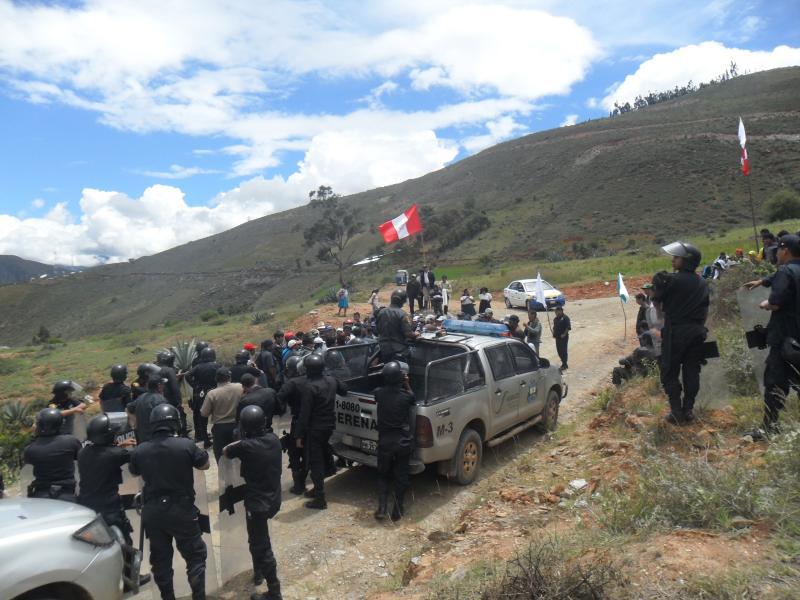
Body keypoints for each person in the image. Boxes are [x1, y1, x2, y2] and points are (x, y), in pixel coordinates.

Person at [130, 404, 210, 600]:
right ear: (174, 422)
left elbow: (134, 472)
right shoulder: (185, 444)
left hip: (153, 511)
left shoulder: (140, 450)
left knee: (161, 560)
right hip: (181, 509)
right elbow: (205, 465)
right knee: (195, 556)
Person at [223, 406, 283, 600]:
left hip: (257, 504)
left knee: (260, 545)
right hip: (274, 498)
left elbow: (226, 451)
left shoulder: (245, 446)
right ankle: (259, 573)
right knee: (257, 540)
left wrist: (241, 437)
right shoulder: (273, 439)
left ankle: (274, 592)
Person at [743, 234, 800, 437]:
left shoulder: (785, 271)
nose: (775, 254)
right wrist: (762, 281)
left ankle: (769, 427)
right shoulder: (792, 270)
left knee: (774, 381)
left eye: (778, 250)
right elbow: (781, 278)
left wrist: (766, 304)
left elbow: (776, 300)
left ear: (785, 251)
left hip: (785, 338)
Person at [653, 241, 709, 425]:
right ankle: (688, 410)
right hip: (697, 332)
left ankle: (676, 412)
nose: (673, 260)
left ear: (686, 260)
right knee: (692, 371)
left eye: (676, 257)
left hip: (676, 332)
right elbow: (705, 309)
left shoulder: (673, 280)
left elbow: (657, 299)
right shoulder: (702, 282)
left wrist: (658, 282)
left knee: (669, 371)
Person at [295, 353, 347, 510]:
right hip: (329, 426)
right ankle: (319, 487)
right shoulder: (331, 380)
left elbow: (304, 414)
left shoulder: (310, 387)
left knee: (315, 462)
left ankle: (320, 498)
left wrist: (298, 435)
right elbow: (344, 390)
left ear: (307, 370)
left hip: (315, 429)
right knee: (323, 455)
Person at [374, 362, 416, 521]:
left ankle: (382, 509)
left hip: (385, 442)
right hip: (402, 442)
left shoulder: (379, 393)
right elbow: (413, 397)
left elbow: (379, 392)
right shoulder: (406, 396)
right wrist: (406, 382)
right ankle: (397, 510)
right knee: (401, 476)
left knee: (383, 475)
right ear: (400, 377)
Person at [24, 408, 81, 501]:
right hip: (66, 494)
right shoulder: (71, 441)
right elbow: (81, 458)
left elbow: (28, 461)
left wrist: (34, 435)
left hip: (40, 495)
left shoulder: (30, 449)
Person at [276, 356, 308, 495]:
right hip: (314, 421)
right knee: (310, 451)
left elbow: (278, 400)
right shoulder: (314, 379)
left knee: (294, 452)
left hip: (298, 421)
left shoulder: (291, 384)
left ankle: (299, 485)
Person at [200, 367, 242, 462]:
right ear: (230, 377)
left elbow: (204, 413)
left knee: (222, 458)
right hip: (237, 425)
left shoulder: (212, 394)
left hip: (220, 429)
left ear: (216, 379)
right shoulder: (239, 387)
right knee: (239, 454)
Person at [185, 347, 221, 449]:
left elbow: (187, 375)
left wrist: (194, 385)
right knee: (218, 415)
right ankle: (217, 437)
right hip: (215, 392)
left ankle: (206, 440)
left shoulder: (198, 366)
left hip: (202, 393)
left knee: (203, 417)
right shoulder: (217, 366)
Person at [375, 289, 419, 364]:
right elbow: (408, 333)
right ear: (401, 301)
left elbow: (377, 330)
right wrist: (416, 334)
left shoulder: (381, 312)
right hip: (398, 351)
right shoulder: (402, 314)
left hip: (382, 350)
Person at [128, 375, 168, 443]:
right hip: (156, 440)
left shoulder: (140, 397)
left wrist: (135, 425)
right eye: (162, 384)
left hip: (142, 439)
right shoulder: (161, 400)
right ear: (159, 386)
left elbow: (129, 408)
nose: (164, 386)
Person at [157, 351, 187, 436]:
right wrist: (179, 402)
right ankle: (183, 435)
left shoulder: (156, 370)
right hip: (171, 400)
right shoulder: (169, 370)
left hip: (159, 400)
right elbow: (174, 387)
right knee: (180, 416)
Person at [552, 307, 571, 371]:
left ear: (561, 311)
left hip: (563, 338)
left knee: (563, 351)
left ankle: (564, 364)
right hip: (557, 337)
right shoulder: (555, 319)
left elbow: (568, 327)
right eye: (555, 312)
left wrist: (564, 334)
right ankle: (563, 362)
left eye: (557, 312)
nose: (556, 313)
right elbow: (554, 327)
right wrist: (554, 333)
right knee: (559, 351)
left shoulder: (565, 318)